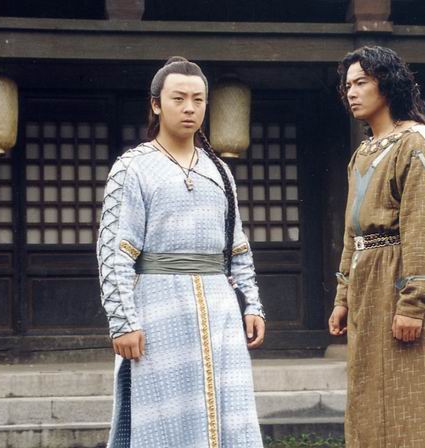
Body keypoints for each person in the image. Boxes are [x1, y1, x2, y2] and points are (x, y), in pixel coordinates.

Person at [97, 56, 266, 448]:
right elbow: (115, 251)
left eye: (198, 99)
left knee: (230, 412)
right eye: (178, 99)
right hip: (158, 308)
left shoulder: (219, 171)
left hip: (220, 308)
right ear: (156, 104)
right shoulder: (133, 167)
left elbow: (237, 247)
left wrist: (253, 304)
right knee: (164, 419)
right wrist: (123, 321)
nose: (189, 108)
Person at [328, 46, 425, 448]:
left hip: (397, 281)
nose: (351, 92)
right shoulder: (363, 152)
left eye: (361, 82)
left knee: (409, 391)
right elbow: (352, 233)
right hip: (366, 284)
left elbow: (423, 227)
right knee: (369, 392)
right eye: (348, 85)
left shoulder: (413, 144)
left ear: (387, 86)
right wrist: (342, 296)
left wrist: (412, 304)